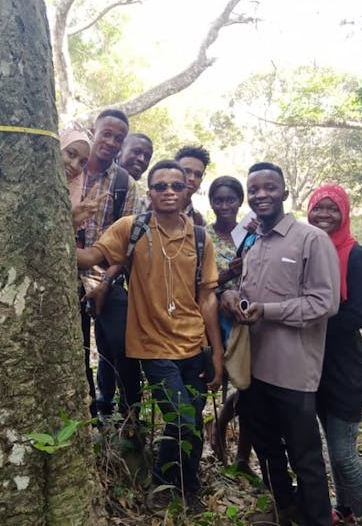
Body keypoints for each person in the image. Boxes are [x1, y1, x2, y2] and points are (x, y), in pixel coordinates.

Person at [77, 159, 224, 512]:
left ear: (188, 189)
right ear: (151, 192)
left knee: (190, 423)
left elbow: (206, 297)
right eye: (160, 186)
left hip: (193, 345)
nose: (169, 192)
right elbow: (90, 258)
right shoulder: (132, 228)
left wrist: (216, 351)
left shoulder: (201, 238)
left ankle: (188, 490)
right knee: (183, 420)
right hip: (152, 345)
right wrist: (68, 220)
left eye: (176, 185)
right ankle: (161, 486)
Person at [220, 162, 340, 526]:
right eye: (253, 189)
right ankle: (283, 506)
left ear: (285, 193)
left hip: (293, 371)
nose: (260, 195)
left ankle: (316, 518)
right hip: (254, 368)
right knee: (266, 446)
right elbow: (248, 290)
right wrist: (230, 295)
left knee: (304, 455)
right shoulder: (253, 242)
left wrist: (267, 311)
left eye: (269, 187)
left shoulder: (310, 240)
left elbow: (325, 302)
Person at [307, 184, 362, 525]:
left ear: (344, 213)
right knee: (331, 445)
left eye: (333, 209)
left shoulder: (355, 254)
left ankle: (359, 514)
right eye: (320, 208)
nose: (325, 215)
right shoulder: (307, 248)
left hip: (343, 367)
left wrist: (308, 320)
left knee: (342, 451)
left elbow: (358, 314)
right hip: (312, 365)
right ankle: (344, 508)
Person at [77, 109, 141, 421]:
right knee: (74, 347)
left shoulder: (124, 184)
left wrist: (105, 283)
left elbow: (125, 246)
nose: (112, 142)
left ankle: (131, 417)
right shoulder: (70, 168)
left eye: (119, 138)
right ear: (94, 131)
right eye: (107, 134)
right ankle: (88, 413)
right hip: (62, 271)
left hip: (104, 273)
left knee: (122, 341)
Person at [205, 176, 255, 477]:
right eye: (218, 200)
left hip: (248, 322)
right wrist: (225, 278)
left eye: (230, 200)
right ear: (211, 202)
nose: (224, 205)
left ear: (240, 202)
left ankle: (242, 458)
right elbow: (198, 283)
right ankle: (216, 441)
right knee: (216, 381)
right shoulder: (204, 236)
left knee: (248, 390)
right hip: (213, 321)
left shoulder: (251, 234)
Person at [174, 145, 209, 226]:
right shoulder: (146, 206)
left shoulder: (198, 221)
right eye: (186, 171)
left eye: (198, 174)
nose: (192, 178)